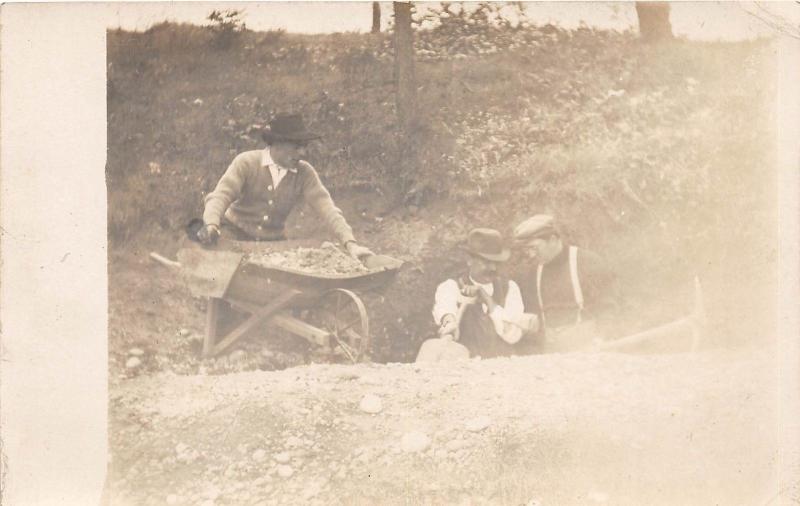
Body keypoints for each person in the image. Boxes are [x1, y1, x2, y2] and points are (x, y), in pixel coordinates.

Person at [196, 113, 373, 259]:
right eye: (296, 147)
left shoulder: (305, 173)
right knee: (223, 273)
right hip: (234, 234)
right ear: (277, 144)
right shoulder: (246, 162)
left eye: (304, 147)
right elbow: (220, 196)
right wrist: (211, 224)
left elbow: (328, 209)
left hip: (273, 243)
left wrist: (351, 244)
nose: (302, 153)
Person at [418, 228, 537, 361]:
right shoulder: (451, 287)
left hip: (502, 370)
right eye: (486, 262)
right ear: (469, 260)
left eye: (496, 263)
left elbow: (512, 336)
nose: (492, 268)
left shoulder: (510, 288)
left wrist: (487, 299)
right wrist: (450, 324)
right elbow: (445, 312)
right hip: (465, 370)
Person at [512, 214, 619, 351]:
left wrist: (601, 337)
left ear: (552, 239)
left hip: (590, 351)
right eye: (527, 250)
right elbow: (533, 319)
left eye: (534, 248)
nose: (531, 255)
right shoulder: (532, 274)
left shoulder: (587, 262)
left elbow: (608, 307)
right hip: (552, 354)